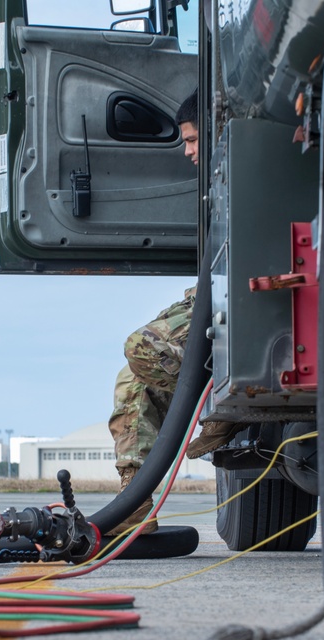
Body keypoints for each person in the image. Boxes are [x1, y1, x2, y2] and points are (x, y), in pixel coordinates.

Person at [107, 90, 238, 536]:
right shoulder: (220, 183)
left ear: (221, 129)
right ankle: (135, 506)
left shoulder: (248, 171)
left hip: (241, 291)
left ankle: (223, 402)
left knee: (140, 347)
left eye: (194, 139)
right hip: (213, 289)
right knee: (131, 380)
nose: (188, 152)